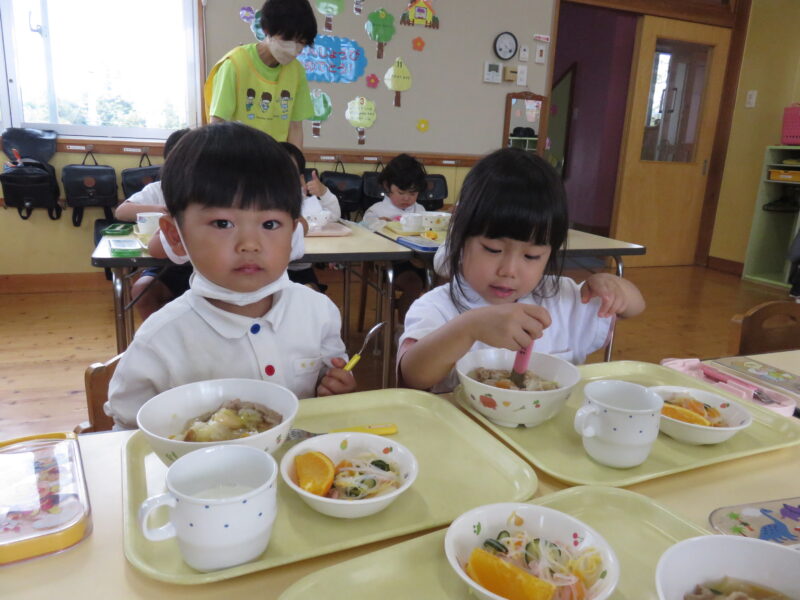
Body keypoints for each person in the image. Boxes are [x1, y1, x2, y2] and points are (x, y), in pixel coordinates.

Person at [105, 123, 356, 429]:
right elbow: (126, 433)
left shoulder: (319, 311)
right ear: (174, 235)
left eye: (270, 224)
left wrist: (333, 388)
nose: (250, 244)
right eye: (223, 223)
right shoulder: (160, 341)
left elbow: (329, 379)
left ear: (294, 232)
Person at [398, 148, 645, 394]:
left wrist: (614, 286)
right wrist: (468, 328)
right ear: (460, 241)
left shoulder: (563, 297)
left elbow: (634, 308)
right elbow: (413, 374)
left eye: (531, 256)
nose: (509, 270)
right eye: (493, 249)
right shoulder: (437, 307)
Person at [204, 0, 317, 148]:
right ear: (266, 30)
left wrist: (295, 161)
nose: (293, 49)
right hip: (237, 157)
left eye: (300, 42)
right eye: (287, 39)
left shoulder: (296, 71)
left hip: (277, 158)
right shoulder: (235, 64)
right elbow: (218, 124)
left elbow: (295, 127)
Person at [114, 129, 191, 320]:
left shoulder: (212, 191)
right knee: (142, 291)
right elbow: (122, 211)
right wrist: (162, 209)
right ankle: (160, 338)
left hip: (204, 267)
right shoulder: (158, 189)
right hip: (166, 266)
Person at [360, 153, 428, 319]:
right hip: (387, 264)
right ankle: (403, 325)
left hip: (418, 262)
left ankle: (431, 322)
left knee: (444, 278)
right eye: (401, 192)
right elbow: (364, 235)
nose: (407, 198)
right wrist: (379, 225)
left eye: (413, 194)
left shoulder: (420, 210)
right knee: (413, 284)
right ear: (386, 186)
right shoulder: (376, 211)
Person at [280, 141, 340, 292]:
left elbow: (333, 216)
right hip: (273, 270)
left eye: (290, 173)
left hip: (301, 269)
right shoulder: (261, 206)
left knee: (312, 291)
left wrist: (324, 193)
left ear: (301, 179)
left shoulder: (307, 203)